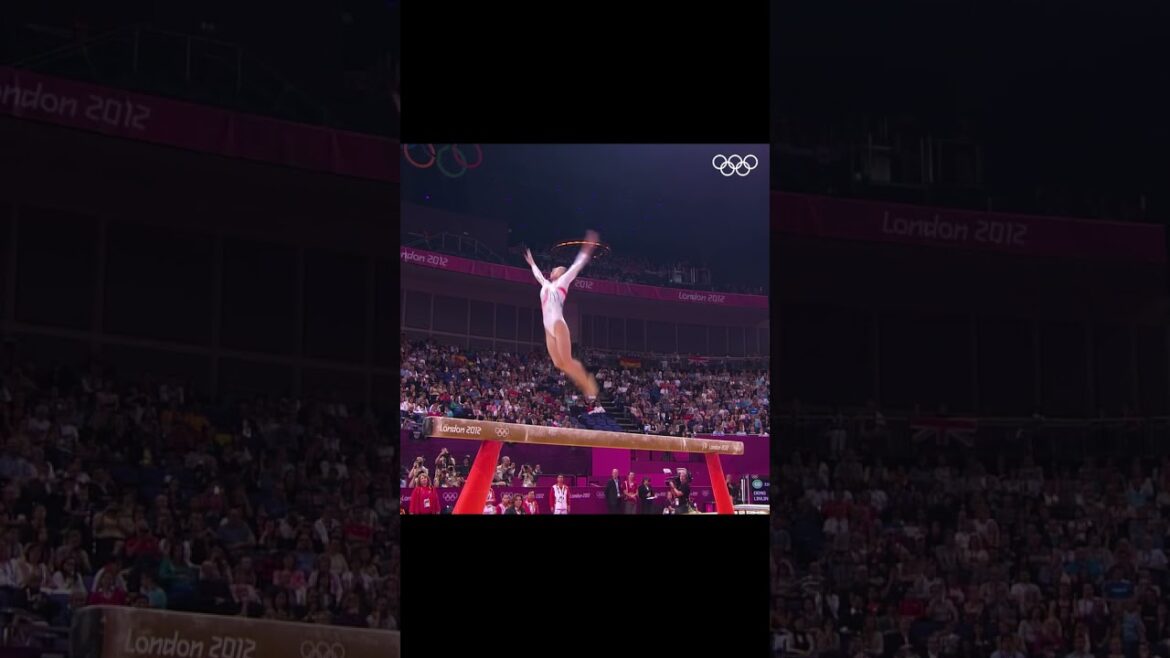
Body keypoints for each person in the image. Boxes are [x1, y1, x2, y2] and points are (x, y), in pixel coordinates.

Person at [524, 231, 600, 398]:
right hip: (548, 329)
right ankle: (582, 378)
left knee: (567, 360)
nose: (553, 269)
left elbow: (576, 266)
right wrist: (532, 263)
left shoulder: (563, 282)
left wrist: (587, 249)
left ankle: (587, 383)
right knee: (559, 363)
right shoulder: (546, 284)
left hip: (558, 324)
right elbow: (538, 275)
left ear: (561, 273)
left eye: (556, 268)